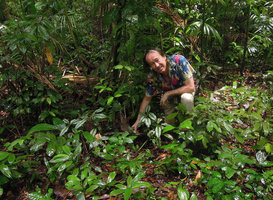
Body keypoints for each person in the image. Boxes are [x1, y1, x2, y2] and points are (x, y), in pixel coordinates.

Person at [132, 48, 196, 133]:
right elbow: (147, 98)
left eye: (157, 60)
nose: (157, 65)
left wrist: (168, 93)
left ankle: (189, 131)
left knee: (186, 98)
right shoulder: (152, 76)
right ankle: (173, 137)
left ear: (164, 56)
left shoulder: (179, 61)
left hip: (186, 91)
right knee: (169, 125)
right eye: (152, 64)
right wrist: (137, 121)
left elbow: (191, 87)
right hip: (170, 98)